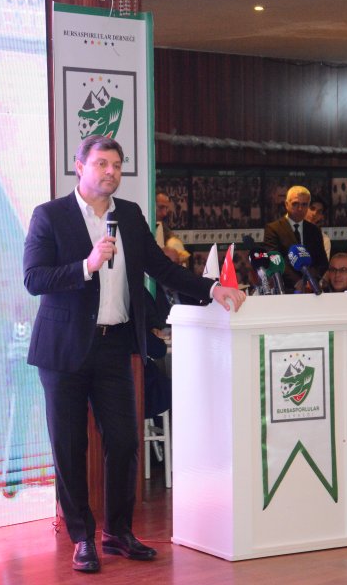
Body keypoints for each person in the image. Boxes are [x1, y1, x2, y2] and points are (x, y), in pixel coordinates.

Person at [23, 135, 245, 573]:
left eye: (117, 165)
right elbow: (34, 279)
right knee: (69, 446)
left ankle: (118, 532)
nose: (111, 172)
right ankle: (82, 537)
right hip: (63, 349)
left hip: (115, 343)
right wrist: (86, 265)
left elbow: (160, 267)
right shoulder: (50, 216)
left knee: (125, 441)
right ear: (79, 167)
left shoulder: (128, 214)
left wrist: (212, 288)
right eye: (101, 164)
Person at [263, 185, 328, 291]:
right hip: (284, 288)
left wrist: (310, 279)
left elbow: (322, 262)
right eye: (295, 204)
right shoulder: (273, 229)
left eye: (304, 204)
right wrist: (297, 281)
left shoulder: (314, 230)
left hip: (311, 288)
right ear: (286, 204)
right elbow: (275, 259)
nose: (300, 208)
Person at [154, 192, 190, 266]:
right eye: (161, 207)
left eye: (166, 208)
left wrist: (179, 257)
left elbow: (184, 259)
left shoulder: (166, 232)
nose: (164, 213)